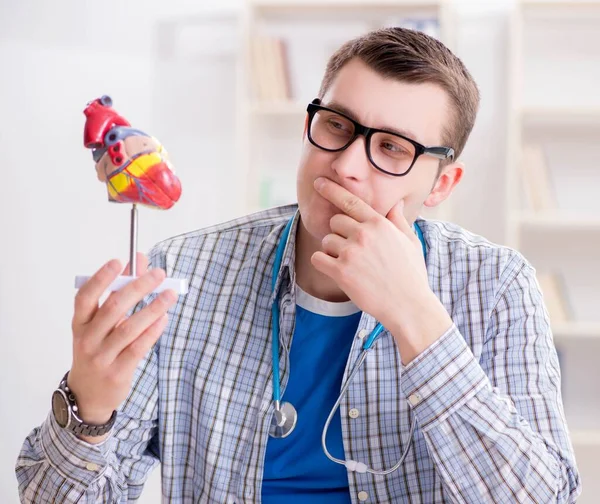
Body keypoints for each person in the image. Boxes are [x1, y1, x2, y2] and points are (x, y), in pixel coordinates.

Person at [16, 27, 581, 503]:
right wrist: (87, 406)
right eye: (337, 125)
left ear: (441, 184)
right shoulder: (181, 271)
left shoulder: (497, 285)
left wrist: (417, 319)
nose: (347, 167)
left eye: (392, 148)